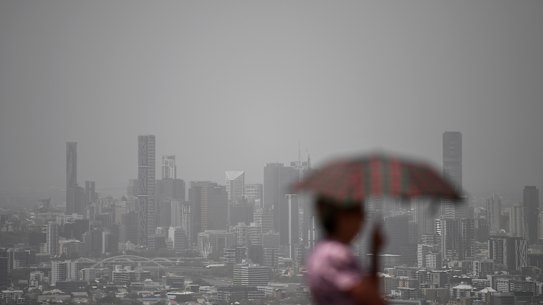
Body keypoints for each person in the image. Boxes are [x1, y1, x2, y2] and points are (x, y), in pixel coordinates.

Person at [306, 196, 387, 305]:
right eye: (359, 214)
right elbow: (373, 300)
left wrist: (375, 251)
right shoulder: (336, 255)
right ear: (343, 217)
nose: (363, 221)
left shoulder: (320, 251)